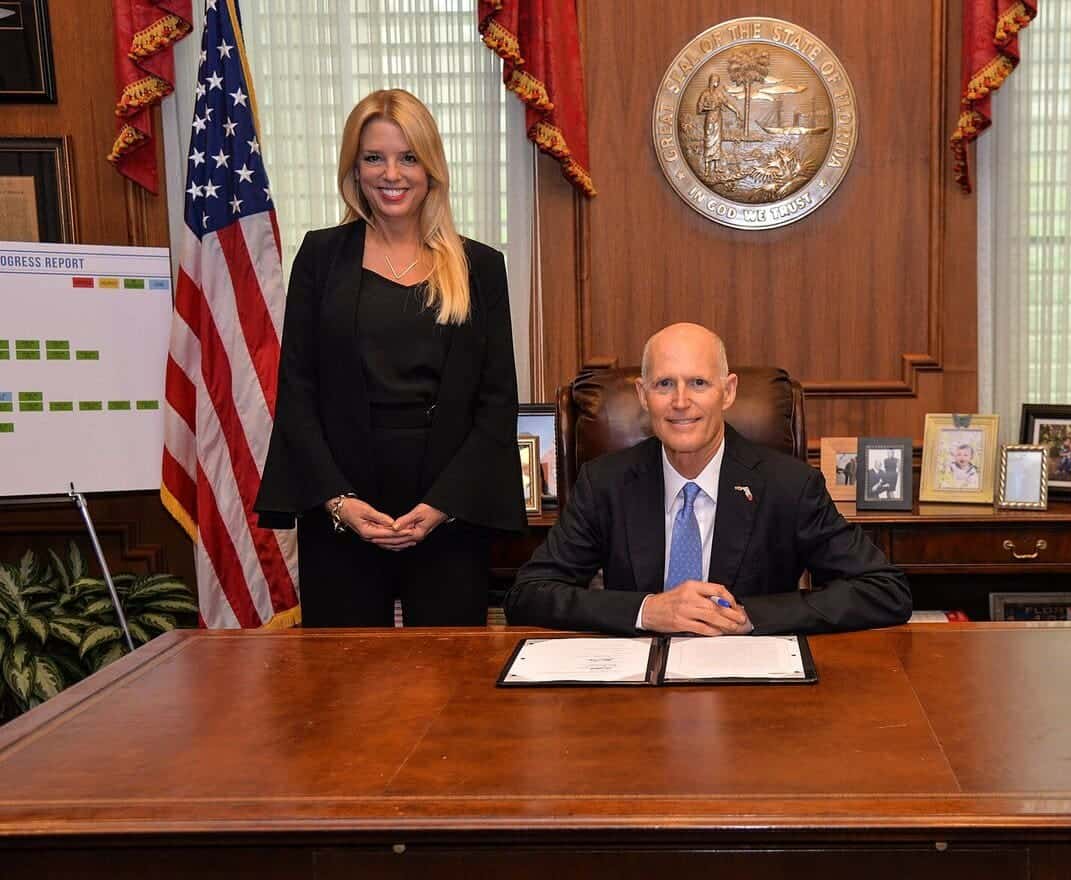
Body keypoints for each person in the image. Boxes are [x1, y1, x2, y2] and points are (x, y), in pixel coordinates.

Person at [255, 89, 526, 628]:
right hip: (343, 507)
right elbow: (297, 392)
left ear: (431, 168)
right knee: (340, 688)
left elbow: (496, 403)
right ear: (354, 169)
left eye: (408, 157)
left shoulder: (480, 267)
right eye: (374, 157)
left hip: (448, 508)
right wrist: (337, 502)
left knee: (448, 686)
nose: (391, 173)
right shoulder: (320, 257)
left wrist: (442, 505)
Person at [504, 323, 911, 636]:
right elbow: (528, 594)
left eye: (698, 383)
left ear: (727, 391)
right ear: (644, 396)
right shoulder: (605, 483)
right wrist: (648, 610)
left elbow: (885, 589)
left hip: (751, 697)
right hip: (637, 697)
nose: (681, 402)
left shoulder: (789, 486)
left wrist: (751, 616)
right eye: (665, 385)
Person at [696, 74, 741, 176]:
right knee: (708, 141)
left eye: (718, 81)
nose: (716, 83)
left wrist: (736, 111)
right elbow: (699, 109)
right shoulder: (705, 94)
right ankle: (707, 169)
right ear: (712, 81)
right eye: (715, 81)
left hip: (718, 120)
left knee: (717, 142)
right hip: (710, 120)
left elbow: (727, 103)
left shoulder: (719, 93)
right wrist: (710, 108)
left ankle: (716, 167)